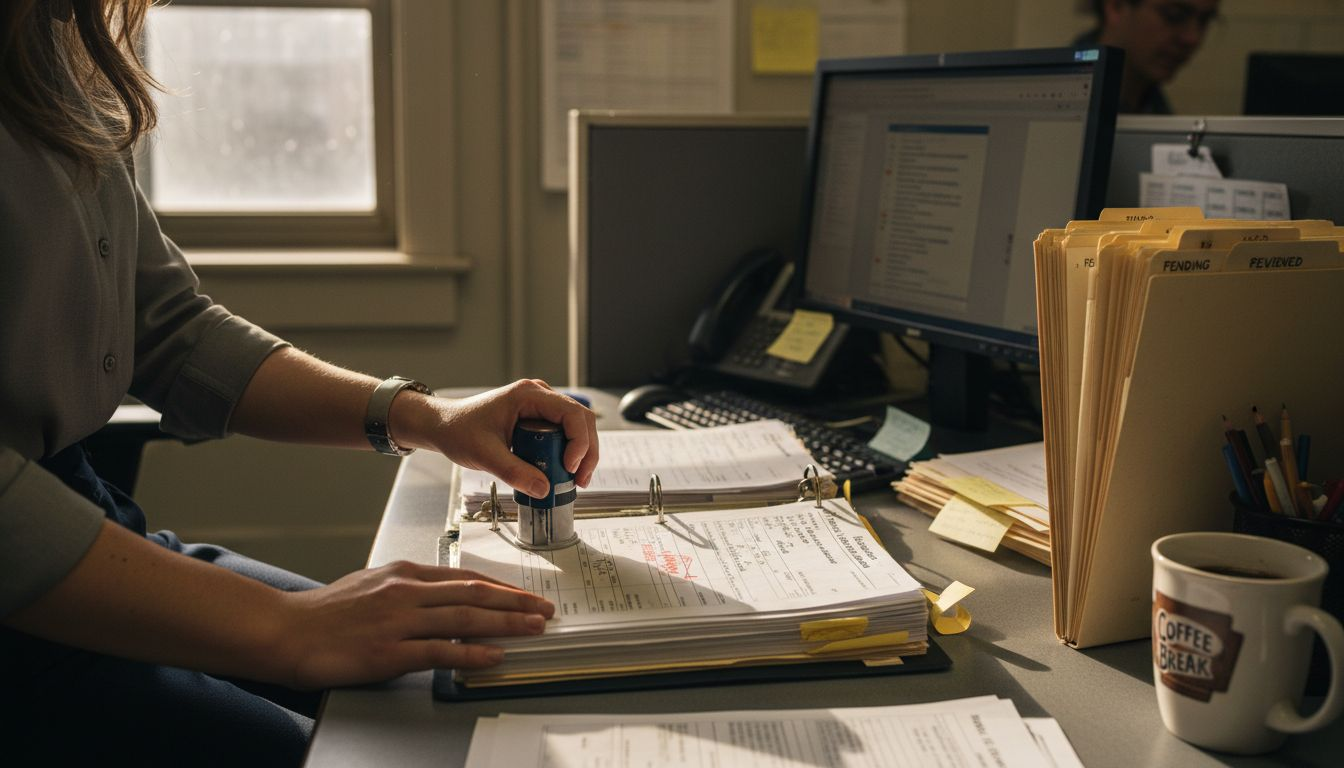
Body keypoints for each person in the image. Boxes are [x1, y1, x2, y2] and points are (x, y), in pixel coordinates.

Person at [0, 1, 599, 764]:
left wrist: (426, 419)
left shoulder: (44, 46)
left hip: (93, 525)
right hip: (29, 613)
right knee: (383, 750)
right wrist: (291, 628)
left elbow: (169, 325)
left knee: (430, 693)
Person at [1078, 0, 1220, 113]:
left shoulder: (1153, 107)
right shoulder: (1071, 98)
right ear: (1116, 6)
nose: (1192, 38)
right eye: (1175, 15)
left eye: (1204, 20)